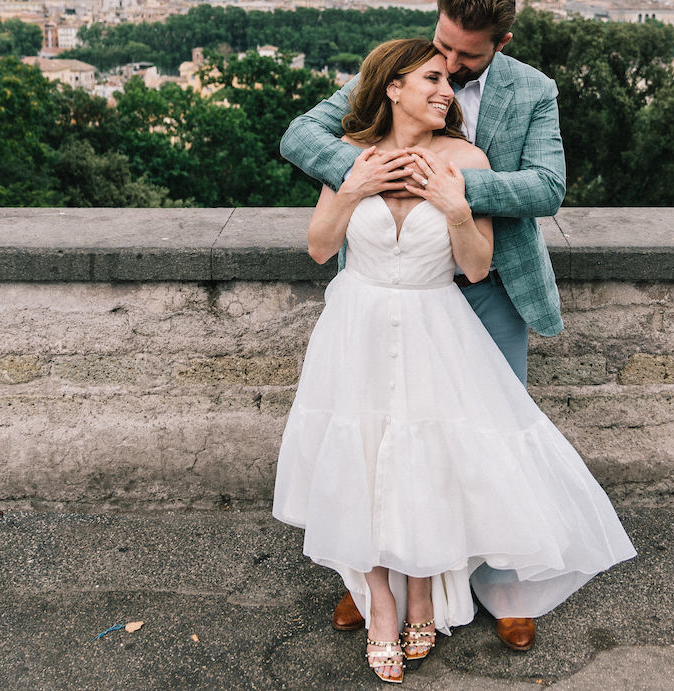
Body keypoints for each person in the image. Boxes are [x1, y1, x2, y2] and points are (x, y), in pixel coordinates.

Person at [272, 39, 634, 683]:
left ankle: (422, 596)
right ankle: (379, 605)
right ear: (392, 87)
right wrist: (352, 188)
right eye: (433, 79)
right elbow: (320, 250)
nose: (448, 90)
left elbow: (474, 264)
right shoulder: (350, 154)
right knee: (363, 459)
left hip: (436, 322)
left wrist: (457, 207)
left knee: (425, 461)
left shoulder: (468, 159)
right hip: (356, 323)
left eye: (450, 80)